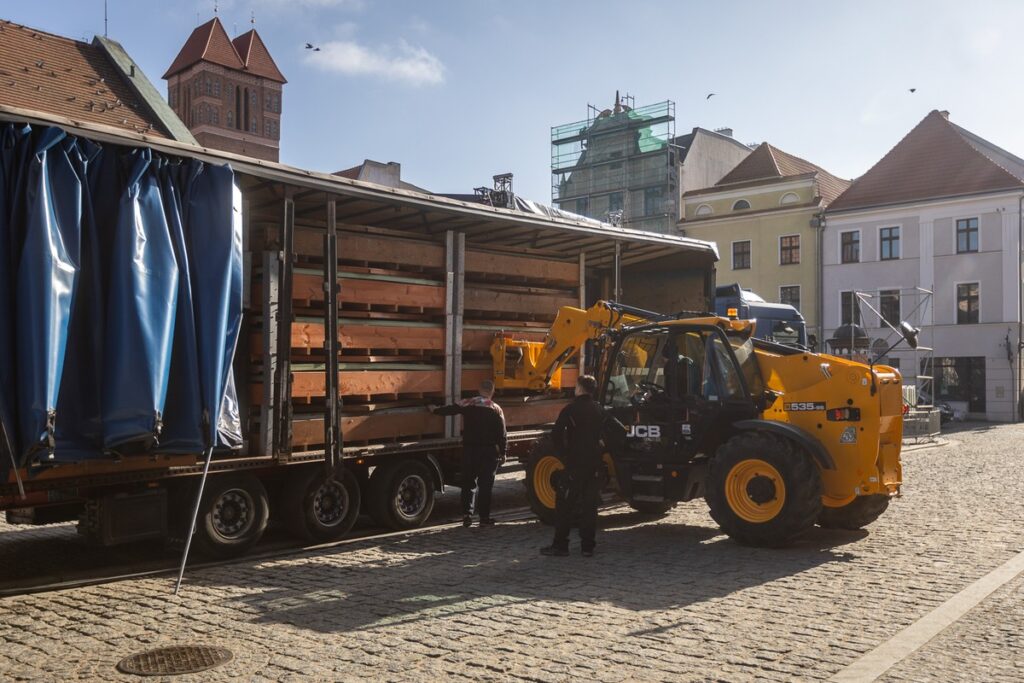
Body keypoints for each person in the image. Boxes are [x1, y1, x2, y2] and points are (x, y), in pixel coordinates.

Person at [540, 375, 606, 557]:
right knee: (589, 506)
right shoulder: (599, 409)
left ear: (580, 388)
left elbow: (556, 435)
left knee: (565, 505)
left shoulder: (571, 410)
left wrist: (564, 455)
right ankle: (587, 547)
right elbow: (607, 433)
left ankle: (561, 545)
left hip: (574, 464)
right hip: (593, 465)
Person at [431, 380, 506, 527]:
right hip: (489, 452)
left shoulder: (469, 403)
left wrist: (434, 410)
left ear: (479, 389)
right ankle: (484, 518)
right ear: (492, 391)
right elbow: (502, 434)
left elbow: (451, 409)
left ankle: (467, 515)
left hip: (470, 450)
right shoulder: (496, 408)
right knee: (486, 486)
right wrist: (503, 453)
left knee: (468, 484)